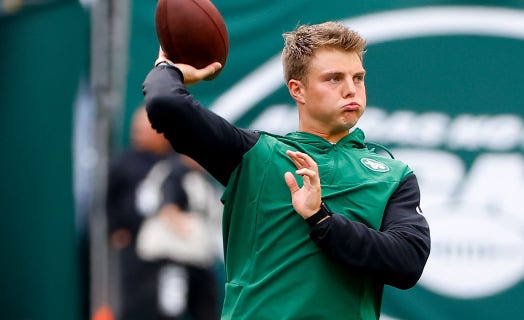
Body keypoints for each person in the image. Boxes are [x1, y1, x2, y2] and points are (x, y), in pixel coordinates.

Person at [143, 21, 431, 319]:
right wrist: (167, 68)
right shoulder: (258, 155)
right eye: (333, 79)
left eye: (358, 78)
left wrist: (322, 220)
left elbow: (408, 263)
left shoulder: (392, 174)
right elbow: (166, 104)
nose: (350, 90)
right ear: (298, 89)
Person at [107, 107, 222, 319]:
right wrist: (117, 228)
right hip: (149, 252)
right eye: (136, 128)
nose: (138, 133)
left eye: (145, 128)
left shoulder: (180, 162)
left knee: (202, 304)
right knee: (160, 308)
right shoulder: (127, 163)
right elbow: (114, 201)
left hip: (192, 253)